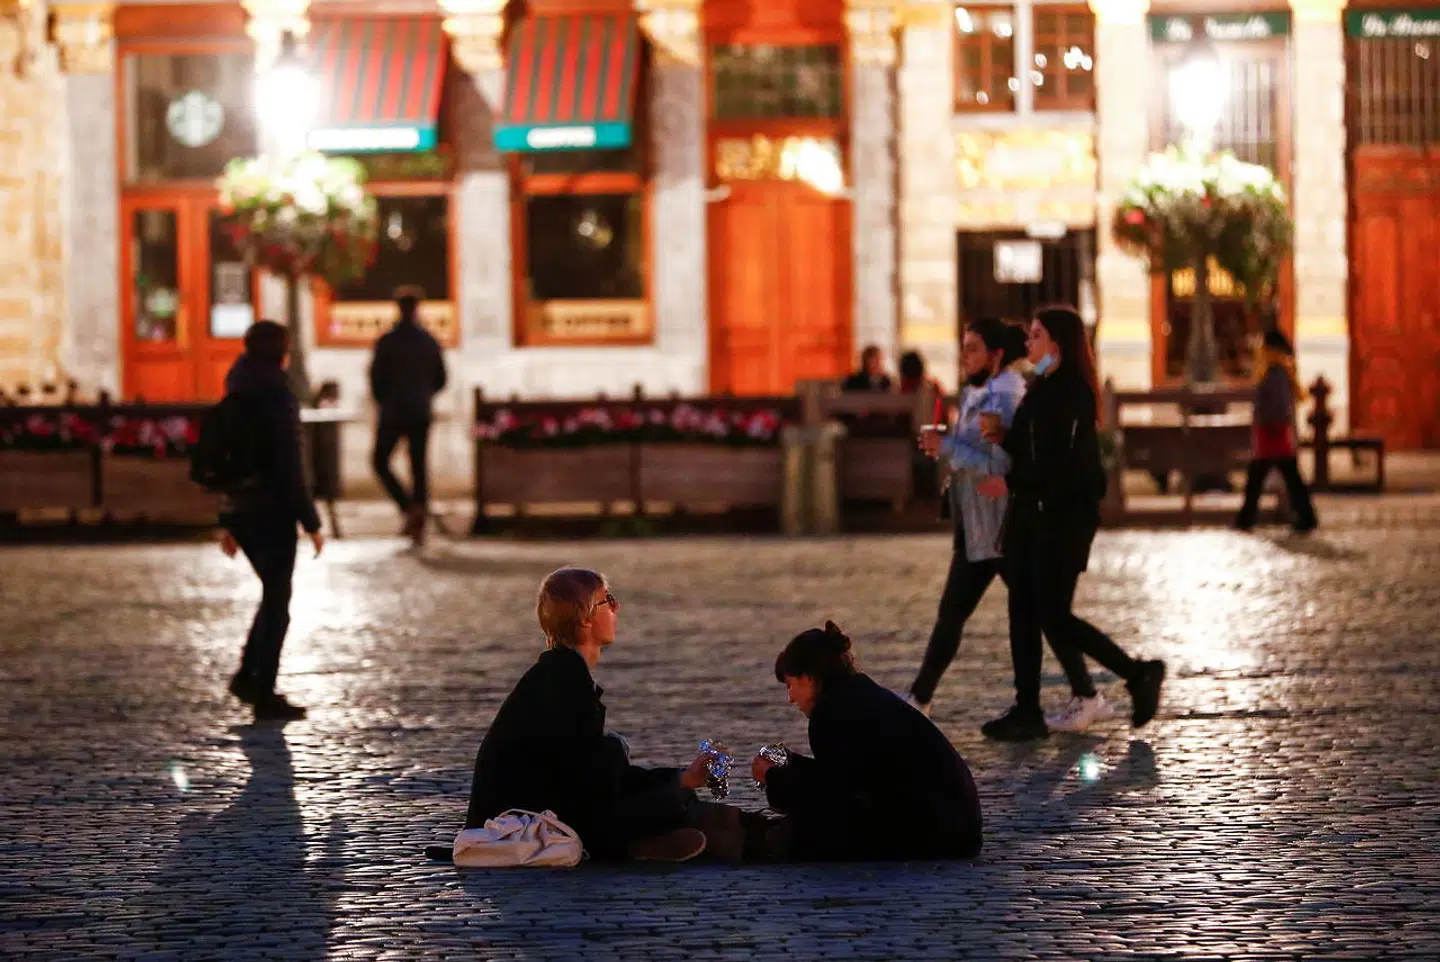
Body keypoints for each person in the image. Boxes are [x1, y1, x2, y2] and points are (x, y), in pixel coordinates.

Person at [464, 567, 749, 863]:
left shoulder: (560, 674)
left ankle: (656, 840)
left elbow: (594, 773)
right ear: (585, 617)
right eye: (608, 600)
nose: (617, 608)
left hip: (541, 810)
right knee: (670, 803)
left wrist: (680, 779)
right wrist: (675, 786)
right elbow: (591, 790)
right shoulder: (564, 682)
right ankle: (630, 846)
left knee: (677, 797)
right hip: (519, 827)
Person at [977, 306, 1166, 740]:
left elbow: (1067, 465)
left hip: (1061, 519)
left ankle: (1138, 673)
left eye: (1037, 336)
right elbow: (1038, 448)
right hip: (1031, 515)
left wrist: (1010, 480)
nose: (1029, 344)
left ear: (1058, 344)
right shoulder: (1041, 387)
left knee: (1054, 614)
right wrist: (1005, 439)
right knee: (1023, 610)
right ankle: (1028, 708)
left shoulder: (1072, 392)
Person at [752, 621, 983, 861]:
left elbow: (834, 797)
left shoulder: (831, 713)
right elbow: (847, 774)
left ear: (809, 679)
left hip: (934, 834)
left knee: (812, 833)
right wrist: (791, 765)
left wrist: (773, 778)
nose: (790, 698)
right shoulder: (855, 695)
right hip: (955, 828)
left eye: (791, 685)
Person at [908, 319, 1029, 716]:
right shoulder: (980, 393)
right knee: (952, 614)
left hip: (1003, 526)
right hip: (976, 525)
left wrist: (949, 447)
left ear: (996, 355)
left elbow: (1002, 463)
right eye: (963, 346)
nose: (964, 355)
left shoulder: (1003, 399)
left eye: (973, 347)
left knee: (1043, 615)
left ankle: (1088, 688)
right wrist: (948, 445)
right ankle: (920, 697)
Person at [218, 320, 325, 722]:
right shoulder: (278, 397)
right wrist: (310, 520)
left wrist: (225, 516)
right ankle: (262, 690)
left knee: (272, 593)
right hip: (273, 511)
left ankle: (249, 677)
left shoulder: (235, 387)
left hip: (242, 510)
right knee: (278, 601)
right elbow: (290, 465)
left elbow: (224, 456)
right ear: (282, 352)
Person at [369, 287, 448, 546]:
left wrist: (386, 400)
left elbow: (376, 379)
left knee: (380, 460)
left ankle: (408, 508)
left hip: (393, 410)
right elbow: (441, 378)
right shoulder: (428, 340)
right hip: (419, 409)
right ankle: (418, 515)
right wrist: (424, 395)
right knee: (418, 466)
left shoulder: (388, 341)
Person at [1234, 329, 1319, 533]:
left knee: (1263, 477)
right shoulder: (1276, 370)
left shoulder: (1276, 372)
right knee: (1285, 477)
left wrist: (1268, 421)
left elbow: (1278, 404)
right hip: (1273, 433)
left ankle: (1247, 518)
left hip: (1272, 433)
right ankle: (1305, 517)